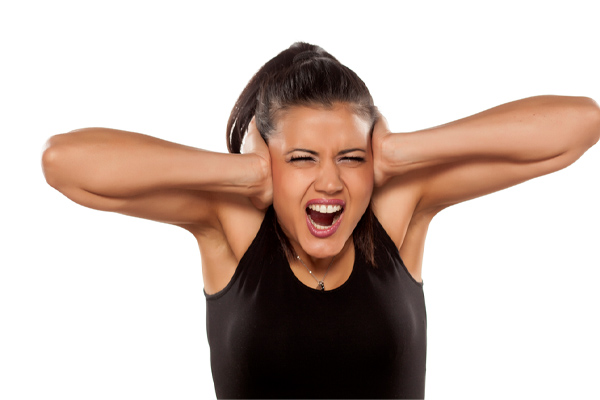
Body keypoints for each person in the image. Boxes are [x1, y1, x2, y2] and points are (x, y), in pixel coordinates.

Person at [41, 42, 600, 399]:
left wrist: (403, 151)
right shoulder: (231, 228)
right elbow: (66, 164)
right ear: (268, 161)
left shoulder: (397, 218)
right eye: (302, 159)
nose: (330, 183)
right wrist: (247, 176)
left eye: (351, 158)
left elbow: (576, 127)